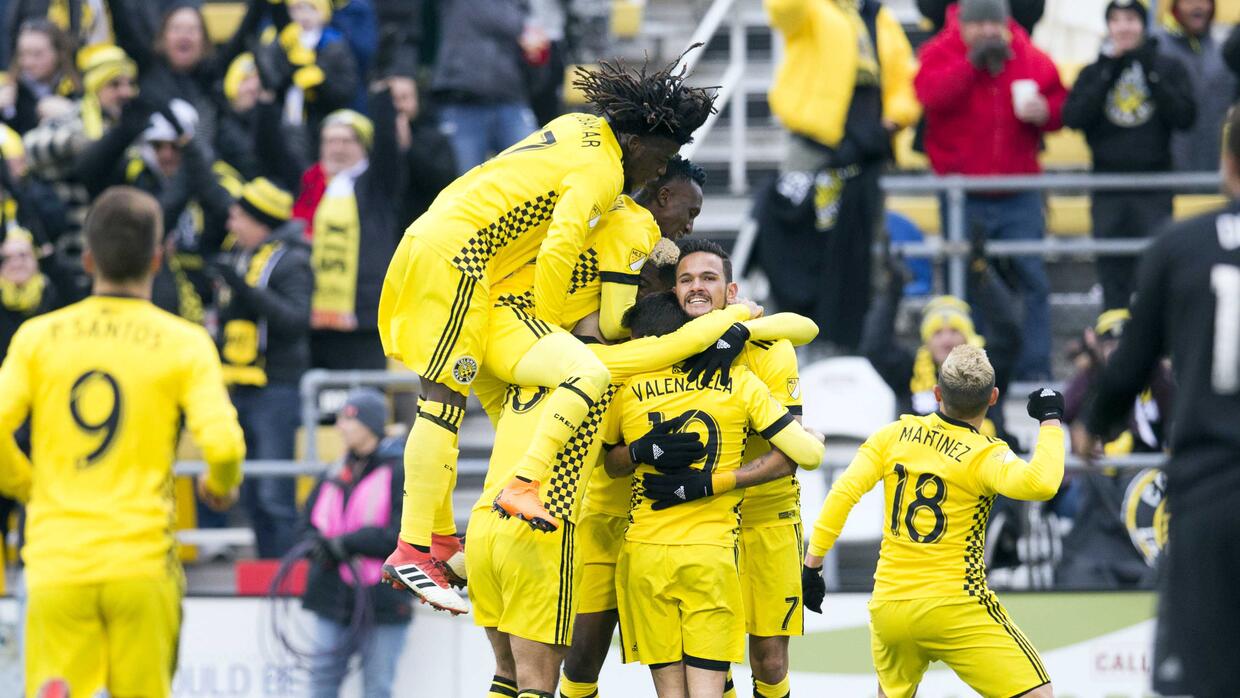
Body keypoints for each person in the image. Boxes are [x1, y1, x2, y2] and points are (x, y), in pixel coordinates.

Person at [377, 56, 714, 614]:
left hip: (451, 251)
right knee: (439, 405)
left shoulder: (578, 127)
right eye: (661, 154)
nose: (663, 167)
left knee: (451, 404)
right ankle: (411, 549)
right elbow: (559, 243)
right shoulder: (603, 172)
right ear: (633, 140)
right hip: (460, 258)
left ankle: (437, 543)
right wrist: (544, 319)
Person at [0, 186, 245, 696]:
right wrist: (220, 488)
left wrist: (28, 487)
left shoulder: (38, 338)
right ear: (158, 259)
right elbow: (223, 447)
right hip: (141, 561)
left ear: (88, 259)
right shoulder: (184, 342)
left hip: (58, 561)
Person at [1084, 106, 1240, 698]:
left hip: (1208, 490)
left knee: (1198, 681)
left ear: (1226, 164)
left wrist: (1094, 423)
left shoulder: (1181, 247)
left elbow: (1131, 361)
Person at [802, 345, 1063, 697]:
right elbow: (1043, 483)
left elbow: (843, 493)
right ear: (994, 398)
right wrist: (1049, 419)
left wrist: (812, 564)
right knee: (1039, 694)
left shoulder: (892, 435)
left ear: (937, 393)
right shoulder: (987, 454)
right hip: (955, 605)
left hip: (890, 606)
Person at [607, 292, 825, 698]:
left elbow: (807, 327)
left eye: (708, 278)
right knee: (713, 676)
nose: (695, 287)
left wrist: (743, 329)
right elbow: (808, 452)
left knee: (770, 662)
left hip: (762, 518)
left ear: (729, 293)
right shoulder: (634, 384)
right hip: (700, 547)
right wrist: (639, 451)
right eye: (686, 279)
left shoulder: (763, 350)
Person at [915, 0, 1067, 380]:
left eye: (993, 23)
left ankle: (1034, 370)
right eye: (978, 23)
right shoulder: (940, 52)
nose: (986, 31)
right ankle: (968, 374)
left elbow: (1060, 100)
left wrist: (1046, 112)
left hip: (1019, 189)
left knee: (1032, 279)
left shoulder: (1027, 54)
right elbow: (931, 95)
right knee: (965, 283)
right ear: (963, 24)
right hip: (962, 194)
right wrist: (972, 65)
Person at [757, 0, 919, 352]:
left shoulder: (882, 19)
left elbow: (904, 80)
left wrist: (889, 123)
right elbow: (783, 11)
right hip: (813, 149)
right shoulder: (814, 8)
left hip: (866, 154)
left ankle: (860, 346)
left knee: (864, 249)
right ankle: (789, 344)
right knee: (794, 239)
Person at [1063, 0, 1196, 310]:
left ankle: (1155, 351)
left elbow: (1185, 117)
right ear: (1108, 26)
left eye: (1132, 19)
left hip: (1154, 186)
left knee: (1156, 272)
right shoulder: (1095, 71)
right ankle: (1114, 347)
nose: (1124, 27)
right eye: (1117, 19)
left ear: (1143, 23)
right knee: (1112, 277)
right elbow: (1073, 118)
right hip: (1108, 189)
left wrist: (1149, 70)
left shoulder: (1167, 67)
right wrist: (1110, 70)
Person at [212, 177, 313, 559]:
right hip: (242, 387)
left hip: (277, 389)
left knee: (274, 493)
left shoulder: (294, 259)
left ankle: (284, 574)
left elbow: (295, 319)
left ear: (260, 221)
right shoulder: (240, 254)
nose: (230, 225)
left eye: (238, 217)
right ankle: (263, 570)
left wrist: (242, 288)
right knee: (251, 494)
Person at [300, 389, 410, 698]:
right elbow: (306, 525)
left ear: (370, 426)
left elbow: (402, 535)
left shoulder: (400, 471)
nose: (341, 427)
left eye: (349, 419)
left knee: (377, 688)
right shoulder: (334, 470)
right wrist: (318, 546)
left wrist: (344, 544)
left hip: (385, 601)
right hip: (332, 595)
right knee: (321, 683)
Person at [862, 238, 1022, 442]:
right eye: (937, 333)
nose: (946, 340)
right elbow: (875, 345)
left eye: (954, 331)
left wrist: (982, 277)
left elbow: (1009, 333)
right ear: (926, 342)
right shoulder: (909, 371)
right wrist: (893, 288)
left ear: (967, 336)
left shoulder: (987, 369)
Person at [1055, 309, 1170, 589]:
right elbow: (1064, 413)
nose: (1117, 353)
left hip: (1146, 482)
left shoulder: (1157, 380)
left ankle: (1150, 572)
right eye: (1109, 345)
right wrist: (1092, 368)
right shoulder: (1089, 380)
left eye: (1125, 346)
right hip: (1094, 484)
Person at [293, 93, 405, 370]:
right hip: (315, 318)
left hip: (363, 318)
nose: (337, 148)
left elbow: (388, 149)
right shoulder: (309, 184)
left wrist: (381, 95)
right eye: (330, 141)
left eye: (347, 141)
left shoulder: (377, 185)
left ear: (364, 146)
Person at [22, 43, 139, 296]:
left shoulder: (134, 127)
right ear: (96, 86)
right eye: (115, 85)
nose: (125, 92)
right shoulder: (73, 119)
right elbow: (28, 148)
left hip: (118, 256)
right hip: (72, 257)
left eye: (129, 83)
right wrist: (92, 145)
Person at [432, 0, 540, 173]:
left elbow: (536, 57)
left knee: (535, 171)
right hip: (462, 102)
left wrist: (537, 57)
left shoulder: (521, 5)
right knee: (462, 186)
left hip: (511, 99)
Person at [254, 0, 359, 145]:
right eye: (296, 9)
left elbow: (347, 90)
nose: (303, 16)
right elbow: (272, 81)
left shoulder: (334, 44)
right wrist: (288, 64)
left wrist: (321, 81)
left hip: (318, 124)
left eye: (310, 9)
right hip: (286, 121)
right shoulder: (283, 41)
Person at [1155, 0, 1234, 172]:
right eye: (1189, 1)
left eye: (1205, 1)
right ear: (1175, 6)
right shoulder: (1156, 48)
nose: (1198, 6)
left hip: (1212, 170)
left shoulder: (1224, 53)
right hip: (1165, 173)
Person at [1, 20, 79, 135]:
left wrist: (72, 113)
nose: (28, 62)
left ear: (58, 53)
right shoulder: (12, 90)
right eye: (22, 54)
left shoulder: (75, 87)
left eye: (37, 54)